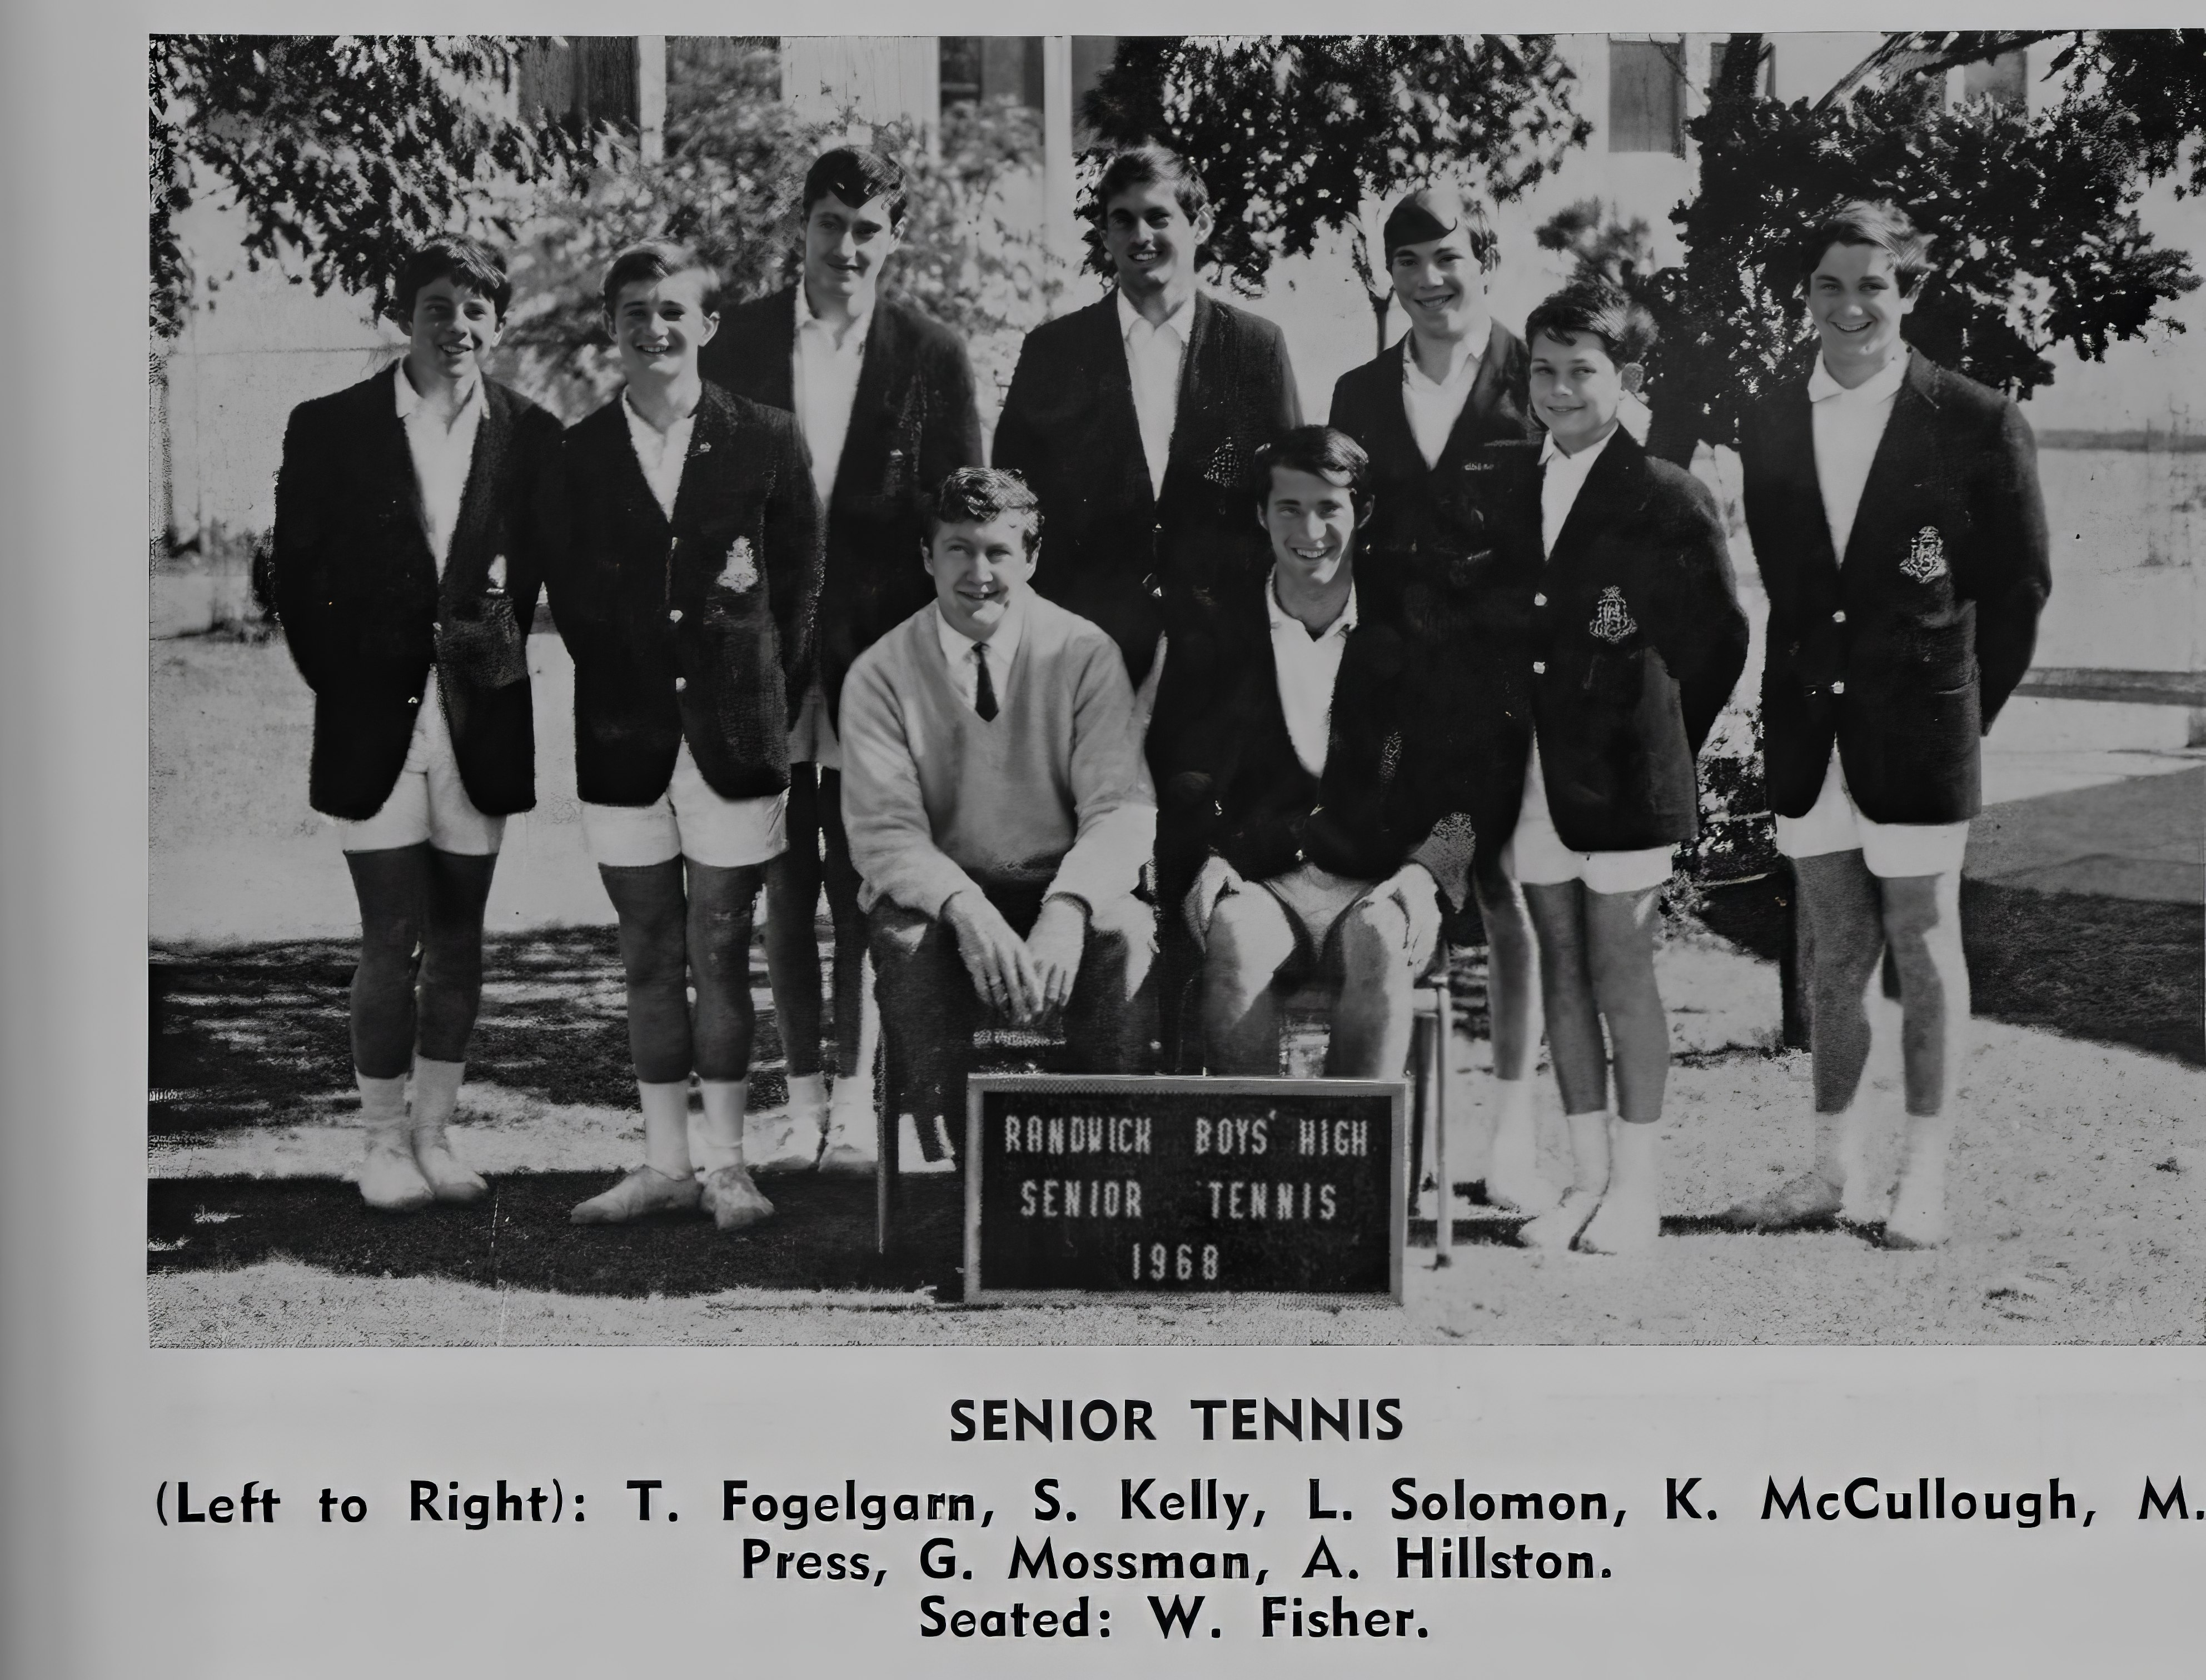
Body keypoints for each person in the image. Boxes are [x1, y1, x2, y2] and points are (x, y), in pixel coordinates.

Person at [1721, 201, 2049, 1249]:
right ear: (1804, 296)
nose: (1850, 305)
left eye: (1872, 284)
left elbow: (2016, 593)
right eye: (1828, 284)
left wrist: (1957, 715)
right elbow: (1789, 582)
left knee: (1920, 940)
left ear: (1905, 292)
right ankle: (1829, 1170)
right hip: (1811, 735)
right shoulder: (1768, 418)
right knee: (1832, 955)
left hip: (1919, 735)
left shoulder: (1974, 418)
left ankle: (1922, 1176)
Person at [701, 147, 985, 1176]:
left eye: (868, 230)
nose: (847, 248)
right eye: (831, 225)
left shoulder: (932, 351)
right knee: (784, 877)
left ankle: (862, 1105)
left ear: (894, 237)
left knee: (868, 875)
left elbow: (961, 520)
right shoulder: (732, 341)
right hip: (763, 654)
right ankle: (802, 1103)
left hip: (882, 660)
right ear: (801, 227)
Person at [273, 236, 562, 1212]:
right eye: (438, 307)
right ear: (405, 316)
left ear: (499, 318)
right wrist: (347, 683)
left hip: (480, 717)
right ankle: (379, 1141)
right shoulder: (330, 427)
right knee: (387, 930)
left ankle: (436, 1136)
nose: (459, 326)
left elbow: (544, 578)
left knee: (460, 937)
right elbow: (295, 581)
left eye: (477, 307)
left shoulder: (534, 434)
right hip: (376, 721)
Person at [547, 241, 823, 1230]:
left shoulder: (764, 436)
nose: (654, 328)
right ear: (611, 329)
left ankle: (728, 1166)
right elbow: (573, 600)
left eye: (673, 310)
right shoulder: (576, 454)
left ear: (706, 323)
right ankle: (664, 1164)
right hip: (623, 743)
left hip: (733, 740)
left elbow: (797, 590)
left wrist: (756, 696)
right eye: (634, 312)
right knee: (646, 951)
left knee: (720, 944)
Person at [1494, 283, 1747, 1254]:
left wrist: (1656, 747)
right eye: (1543, 371)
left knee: (1619, 969)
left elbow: (1716, 645)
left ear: (1627, 379)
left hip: (1628, 779)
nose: (1558, 389)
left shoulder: (1666, 494)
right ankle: (1584, 1179)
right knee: (1558, 966)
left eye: (1581, 371)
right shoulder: (1515, 484)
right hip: (1536, 777)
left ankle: (1635, 1189)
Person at [1327, 182, 1547, 1213]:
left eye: (1446, 258)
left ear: (1485, 260)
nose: (1427, 281)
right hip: (1394, 697)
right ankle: (1406, 1141)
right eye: (1406, 262)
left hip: (1506, 695)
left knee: (1502, 902)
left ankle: (1507, 1135)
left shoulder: (1529, 378)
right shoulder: (1357, 392)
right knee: (1401, 897)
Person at [839, 468, 1158, 1148]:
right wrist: (964, 908)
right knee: (905, 944)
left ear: (1033, 557)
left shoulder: (1084, 652)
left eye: (998, 552)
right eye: (957, 548)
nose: (977, 571)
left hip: (1062, 886)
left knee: (1125, 936)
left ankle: (1107, 1164)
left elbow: (1121, 807)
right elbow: (883, 831)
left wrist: (1068, 908)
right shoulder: (880, 672)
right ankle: (973, 1172)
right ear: (927, 556)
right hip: (944, 898)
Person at [1150, 426, 1478, 1080]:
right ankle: (1261, 1167)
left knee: (1383, 937)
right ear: (1261, 514)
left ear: (1363, 512)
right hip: (1265, 878)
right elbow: (1180, 768)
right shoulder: (1218, 628)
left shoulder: (1418, 626)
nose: (1311, 529)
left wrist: (1427, 870)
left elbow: (1470, 787)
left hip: (1380, 880)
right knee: (1234, 935)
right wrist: (1206, 854)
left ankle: (1362, 1170)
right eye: (1289, 508)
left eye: (1330, 507)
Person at [993, 141, 1302, 700]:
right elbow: (1012, 499)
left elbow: (1287, 492)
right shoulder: (1054, 352)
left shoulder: (1256, 348)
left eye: (1159, 217)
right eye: (1123, 220)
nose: (1141, 237)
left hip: (1221, 651)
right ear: (1106, 234)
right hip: (1081, 646)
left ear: (1200, 223)